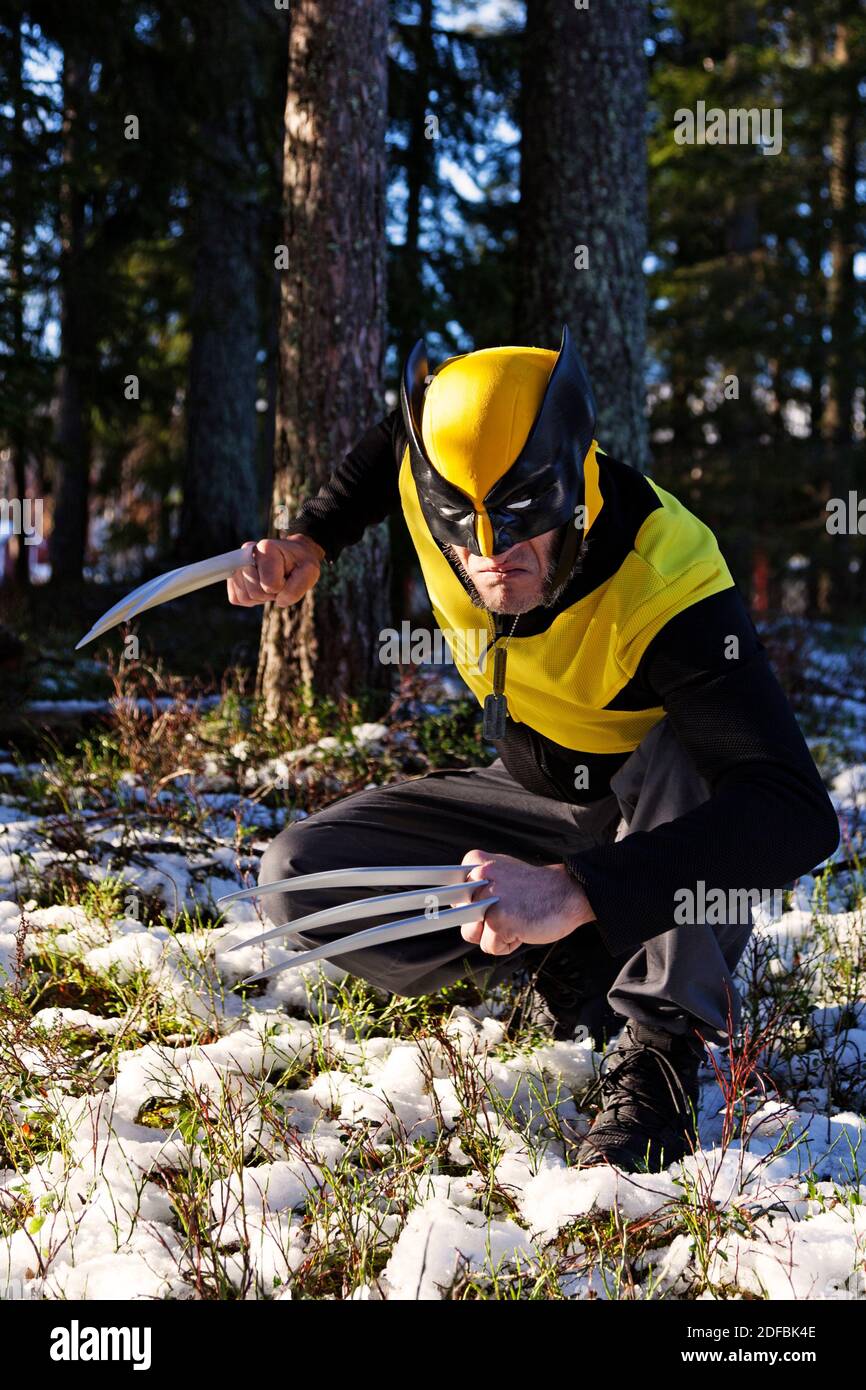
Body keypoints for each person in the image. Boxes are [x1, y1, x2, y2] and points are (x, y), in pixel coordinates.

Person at [227, 328, 839, 1172]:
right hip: (534, 789)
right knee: (301, 875)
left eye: (519, 519)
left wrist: (579, 888)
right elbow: (391, 447)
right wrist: (312, 539)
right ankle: (572, 971)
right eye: (463, 526)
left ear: (571, 476)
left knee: (700, 758)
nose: (488, 554)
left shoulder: (667, 575)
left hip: (656, 804)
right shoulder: (436, 477)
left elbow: (797, 815)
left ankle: (660, 1050)